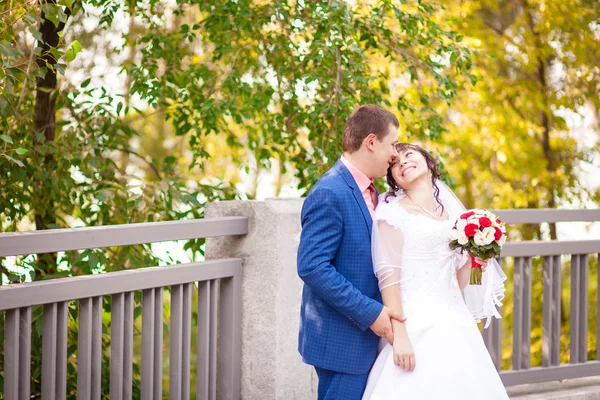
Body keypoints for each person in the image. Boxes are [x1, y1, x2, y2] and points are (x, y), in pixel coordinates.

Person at [362, 143, 508, 399]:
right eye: (395, 163)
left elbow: (458, 282)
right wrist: (400, 336)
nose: (403, 162)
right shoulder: (392, 213)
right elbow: (388, 280)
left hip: (454, 320)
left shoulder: (453, 218)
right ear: (394, 178)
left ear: (429, 163)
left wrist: (476, 261)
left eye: (409, 155)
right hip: (414, 321)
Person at [297, 105, 406, 400]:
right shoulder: (330, 192)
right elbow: (312, 267)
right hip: (343, 343)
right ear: (371, 142)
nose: (395, 153)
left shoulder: (374, 192)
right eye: (393, 144)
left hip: (372, 341)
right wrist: (372, 314)